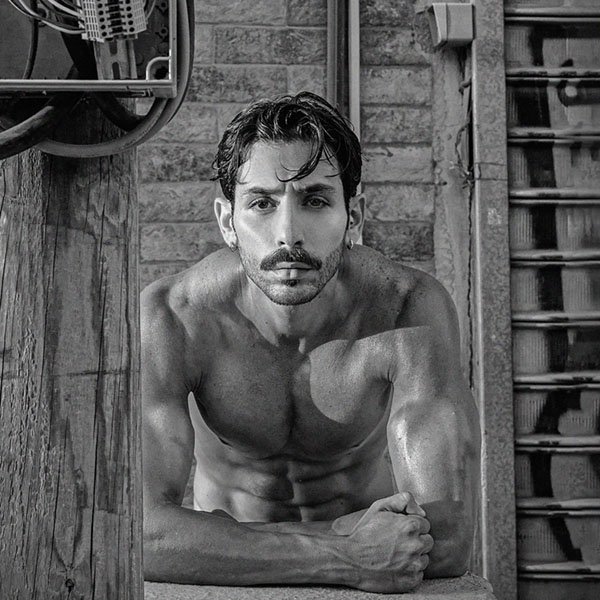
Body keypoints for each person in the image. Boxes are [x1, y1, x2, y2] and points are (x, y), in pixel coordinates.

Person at [141, 92, 481, 593]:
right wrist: (346, 553)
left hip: (323, 573)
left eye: (315, 201)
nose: (288, 235)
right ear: (227, 222)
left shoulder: (407, 311)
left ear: (353, 218)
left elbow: (446, 541)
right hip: (240, 583)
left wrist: (216, 543)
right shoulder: (174, 318)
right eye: (261, 203)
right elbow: (142, 533)